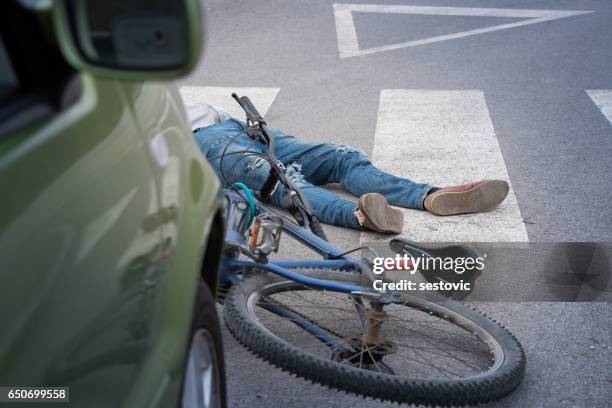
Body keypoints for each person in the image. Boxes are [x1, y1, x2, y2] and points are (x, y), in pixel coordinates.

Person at [187, 101, 509, 234]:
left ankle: (430, 196)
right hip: (206, 144)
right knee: (288, 181)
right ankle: (363, 215)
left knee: (339, 157)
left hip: (241, 130)